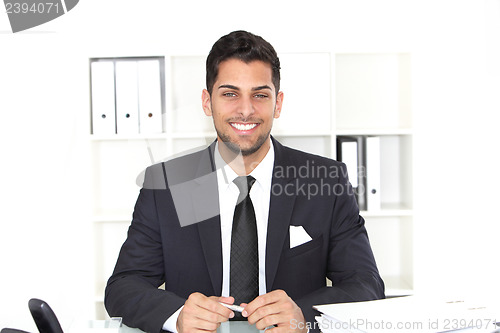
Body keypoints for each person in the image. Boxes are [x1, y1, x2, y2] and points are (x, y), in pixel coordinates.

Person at [105, 30, 384, 333]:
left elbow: (366, 285)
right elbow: (123, 286)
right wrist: (178, 315)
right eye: (230, 94)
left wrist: (302, 316)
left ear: (277, 104)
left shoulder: (325, 182)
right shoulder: (166, 186)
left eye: (260, 95)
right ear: (207, 102)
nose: (246, 109)